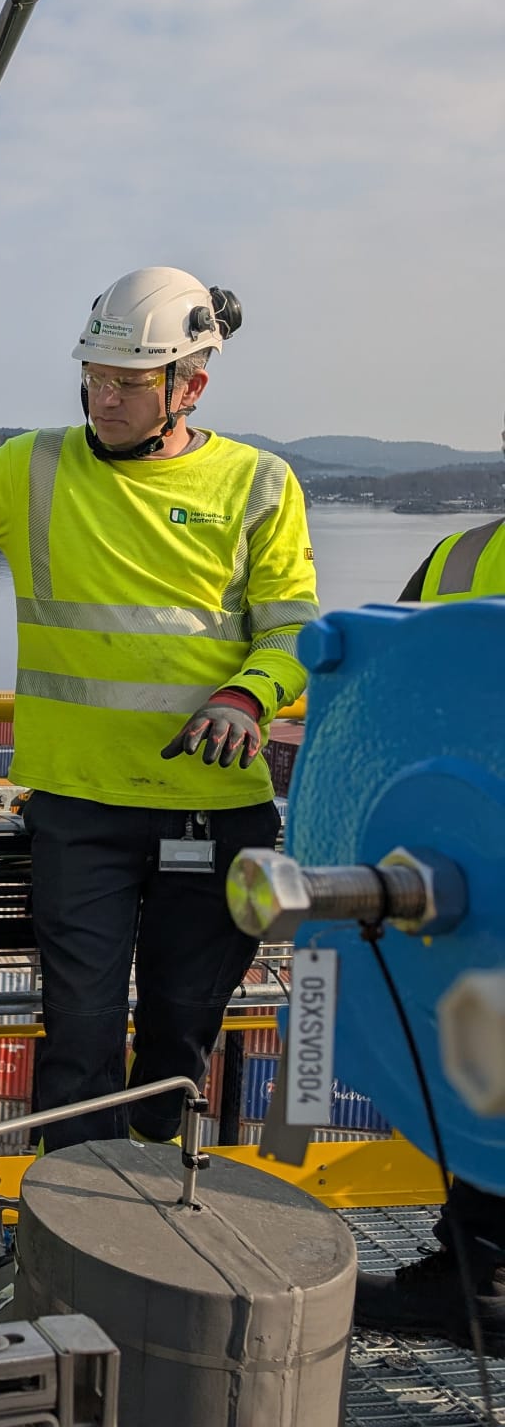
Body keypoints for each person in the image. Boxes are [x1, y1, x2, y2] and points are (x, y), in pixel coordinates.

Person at [0, 267, 317, 1151]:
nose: (101, 398)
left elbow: (295, 632)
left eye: (127, 383)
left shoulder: (260, 484)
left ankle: (150, 1212)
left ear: (189, 386)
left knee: (181, 1036)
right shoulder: (33, 467)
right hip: (79, 813)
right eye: (94, 377)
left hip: (213, 812)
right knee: (77, 1041)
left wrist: (248, 693)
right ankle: (74, 1228)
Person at [354, 445, 505, 1347]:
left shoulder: (459, 560)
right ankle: (474, 1264)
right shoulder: (455, 560)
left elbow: (385, 711)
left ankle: (476, 1272)